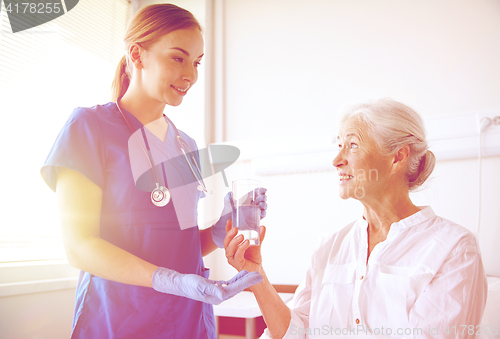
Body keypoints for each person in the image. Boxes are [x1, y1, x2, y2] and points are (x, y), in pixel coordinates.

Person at [40, 4, 266, 338]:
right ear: (137, 54)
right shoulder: (89, 128)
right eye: (178, 58)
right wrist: (168, 280)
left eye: (197, 62)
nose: (191, 74)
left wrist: (218, 232)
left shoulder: (185, 145)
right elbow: (79, 245)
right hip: (119, 319)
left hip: (188, 320)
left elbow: (179, 244)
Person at [224, 98, 487, 338]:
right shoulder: (329, 247)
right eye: (339, 146)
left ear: (397, 157)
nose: (337, 160)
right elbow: (296, 332)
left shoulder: (454, 249)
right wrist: (255, 275)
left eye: (352, 145)